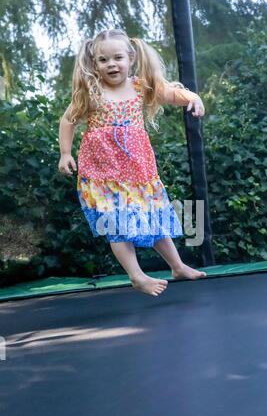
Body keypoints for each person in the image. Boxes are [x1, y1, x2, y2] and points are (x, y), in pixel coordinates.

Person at [58, 28, 207, 297]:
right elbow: (68, 120)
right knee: (117, 224)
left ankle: (177, 266)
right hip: (103, 174)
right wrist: (65, 153)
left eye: (118, 58)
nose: (111, 64)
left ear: (131, 58)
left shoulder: (140, 86)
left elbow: (172, 94)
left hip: (138, 172)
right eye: (103, 60)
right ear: (95, 64)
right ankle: (136, 276)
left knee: (154, 216)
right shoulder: (91, 92)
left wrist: (193, 97)